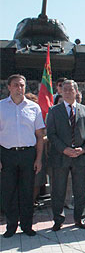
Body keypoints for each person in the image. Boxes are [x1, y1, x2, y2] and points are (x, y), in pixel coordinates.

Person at [0, 74, 45, 238]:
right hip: (7, 154)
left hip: (28, 154)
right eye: (16, 85)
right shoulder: (1, 107)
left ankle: (27, 225)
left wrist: (39, 159)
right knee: (8, 192)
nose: (19, 88)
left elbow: (40, 136)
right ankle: (11, 226)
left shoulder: (34, 107)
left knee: (27, 192)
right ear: (9, 87)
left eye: (22, 85)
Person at [47, 80, 85, 231]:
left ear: (76, 92)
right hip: (61, 157)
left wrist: (84, 149)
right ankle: (58, 220)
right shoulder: (53, 111)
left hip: (80, 157)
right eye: (65, 89)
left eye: (70, 89)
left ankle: (79, 219)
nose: (67, 92)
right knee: (58, 191)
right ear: (60, 92)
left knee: (80, 191)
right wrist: (64, 149)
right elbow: (51, 134)